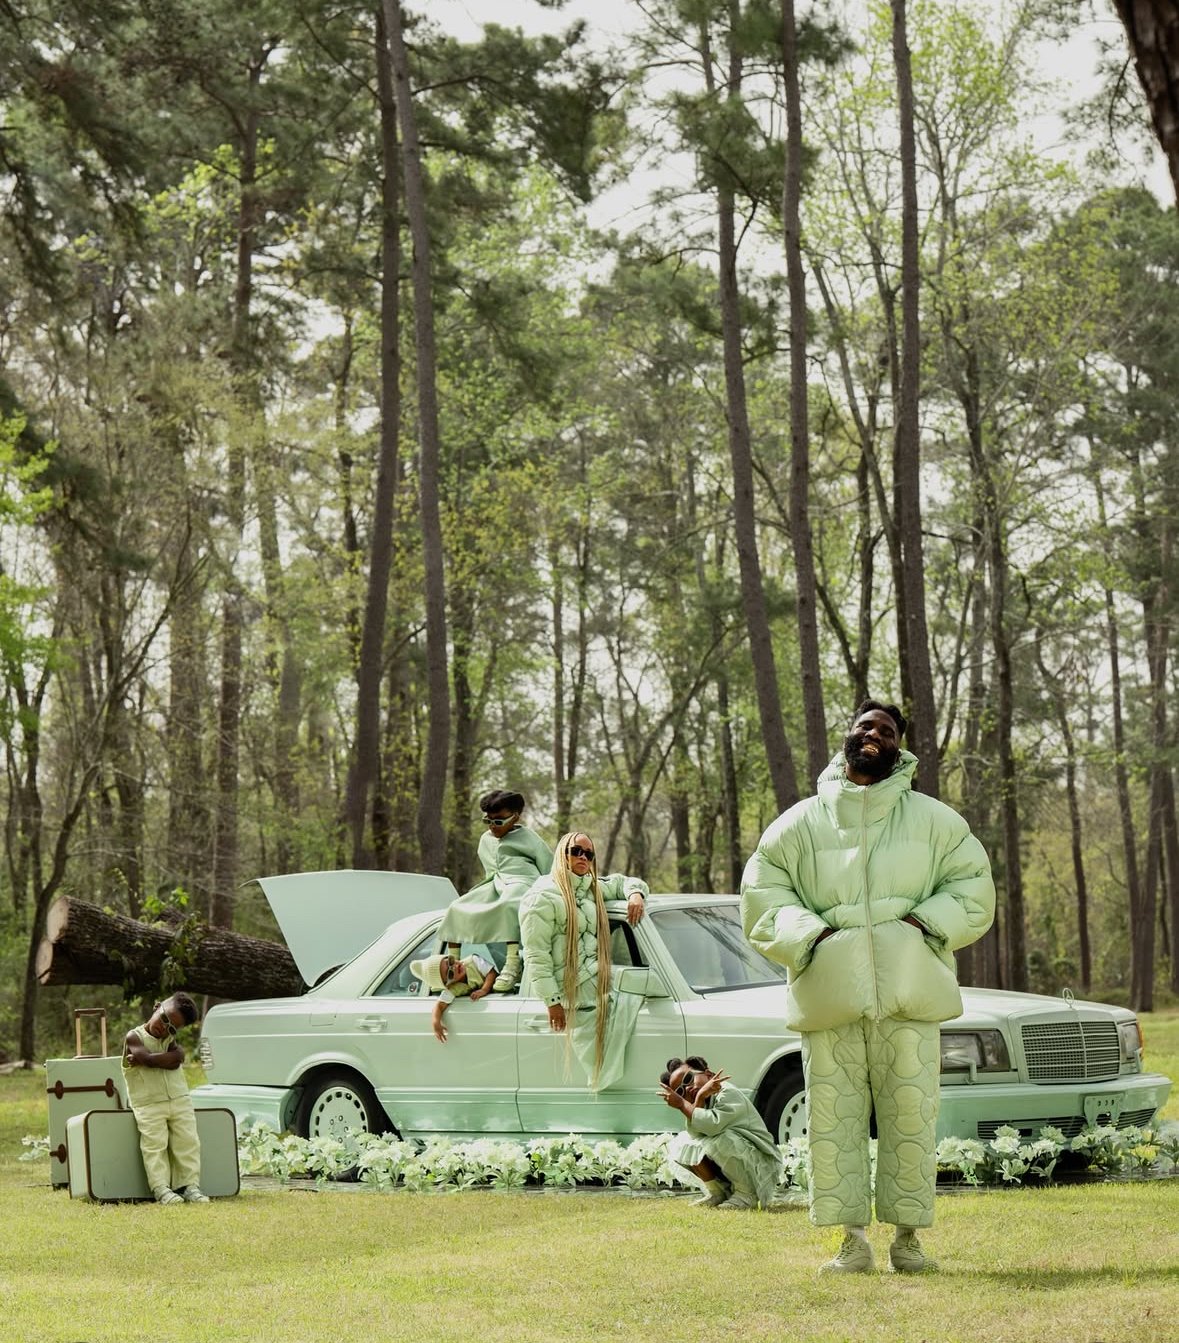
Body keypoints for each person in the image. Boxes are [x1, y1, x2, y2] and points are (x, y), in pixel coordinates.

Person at [741, 700, 994, 1274]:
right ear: (849, 737)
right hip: (831, 992)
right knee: (832, 1120)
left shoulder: (935, 821)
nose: (874, 734)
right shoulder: (799, 822)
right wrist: (818, 937)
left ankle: (908, 1240)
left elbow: (973, 885)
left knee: (912, 1116)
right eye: (865, 726)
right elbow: (762, 891)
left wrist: (920, 926)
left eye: (886, 729)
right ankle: (851, 1242)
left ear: (900, 746)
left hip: (909, 990)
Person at [518, 831, 648, 1090]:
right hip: (569, 995)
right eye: (576, 851)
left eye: (589, 854)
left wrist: (635, 894)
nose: (583, 857)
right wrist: (552, 1002)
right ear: (562, 854)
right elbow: (536, 954)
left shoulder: (591, 886)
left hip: (598, 984)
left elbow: (623, 882)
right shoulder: (541, 897)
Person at [437, 789, 551, 992]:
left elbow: (548, 866)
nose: (492, 826)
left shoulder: (529, 837)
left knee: (509, 904)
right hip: (495, 882)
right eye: (487, 821)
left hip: (524, 882)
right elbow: (490, 869)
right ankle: (455, 968)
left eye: (498, 821)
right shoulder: (485, 839)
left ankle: (512, 963)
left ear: (515, 816)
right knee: (456, 908)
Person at [660, 1055, 784, 1211]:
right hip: (738, 1157)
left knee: (722, 1139)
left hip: (759, 1163)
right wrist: (697, 1099)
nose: (687, 1089)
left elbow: (712, 1125)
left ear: (709, 1074)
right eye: (680, 1091)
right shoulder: (702, 1100)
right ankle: (716, 1192)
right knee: (683, 1142)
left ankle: (748, 1194)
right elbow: (695, 1134)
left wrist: (682, 1105)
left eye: (688, 1079)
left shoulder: (727, 1092)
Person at [122, 992, 210, 1205]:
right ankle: (161, 1188)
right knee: (154, 1145)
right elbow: (152, 1060)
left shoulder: (169, 1039)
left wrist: (161, 1059)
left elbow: (177, 1058)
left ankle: (189, 1185)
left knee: (188, 1142)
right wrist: (166, 1059)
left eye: (171, 1028)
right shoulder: (134, 1037)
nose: (164, 1028)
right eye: (163, 1019)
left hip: (179, 1098)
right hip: (148, 1102)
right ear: (157, 1006)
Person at [410, 951, 498, 1042]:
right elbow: (439, 1006)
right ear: (447, 984)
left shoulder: (473, 961)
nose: (455, 967)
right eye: (450, 974)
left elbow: (491, 973)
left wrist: (484, 990)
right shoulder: (453, 988)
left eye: (450, 961)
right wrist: (436, 1023)